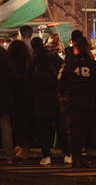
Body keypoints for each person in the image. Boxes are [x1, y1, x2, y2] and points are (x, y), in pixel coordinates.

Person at [58, 36, 96, 168]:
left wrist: (64, 96)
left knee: (74, 131)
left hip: (73, 103)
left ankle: (76, 159)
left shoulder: (69, 65)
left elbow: (60, 83)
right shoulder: (94, 65)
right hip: (90, 102)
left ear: (76, 50)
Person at [26, 37, 71, 166]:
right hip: (55, 96)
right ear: (43, 45)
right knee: (60, 127)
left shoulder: (32, 61)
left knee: (44, 130)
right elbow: (64, 69)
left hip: (39, 98)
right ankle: (67, 155)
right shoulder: (53, 57)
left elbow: (28, 81)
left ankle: (46, 157)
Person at [7, 40, 32, 160]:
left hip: (16, 94)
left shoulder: (11, 63)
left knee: (18, 122)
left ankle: (22, 147)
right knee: (24, 121)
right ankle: (25, 146)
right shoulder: (27, 62)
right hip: (27, 94)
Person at [0, 44, 23, 164]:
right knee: (5, 128)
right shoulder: (4, 55)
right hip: (2, 96)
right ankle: (10, 156)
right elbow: (14, 76)